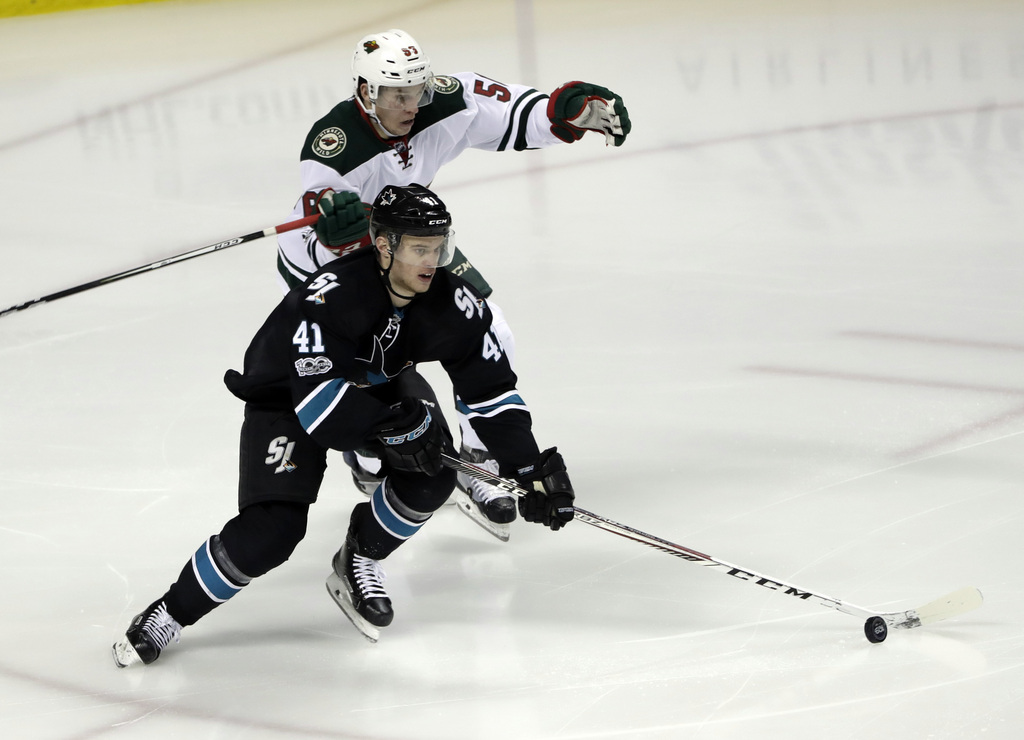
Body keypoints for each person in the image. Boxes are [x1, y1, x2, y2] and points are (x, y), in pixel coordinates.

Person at [112, 184, 576, 666]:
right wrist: (391, 430)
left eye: (438, 247)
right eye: (419, 248)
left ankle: (358, 554)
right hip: (288, 395)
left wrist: (528, 468)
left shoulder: (451, 301)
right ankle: (170, 611)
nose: (432, 260)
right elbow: (319, 409)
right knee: (272, 531)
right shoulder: (334, 296)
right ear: (383, 245)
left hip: (374, 384)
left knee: (435, 468)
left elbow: (492, 391)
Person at [275, 28, 629, 541]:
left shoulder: (446, 97)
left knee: (490, 331)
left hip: (410, 238)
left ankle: (475, 456)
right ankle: (363, 443)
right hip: (334, 261)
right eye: (396, 94)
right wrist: (333, 236)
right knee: (368, 362)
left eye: (415, 90)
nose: (410, 104)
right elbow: (317, 232)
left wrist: (562, 113)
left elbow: (510, 113)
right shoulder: (333, 147)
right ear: (366, 91)